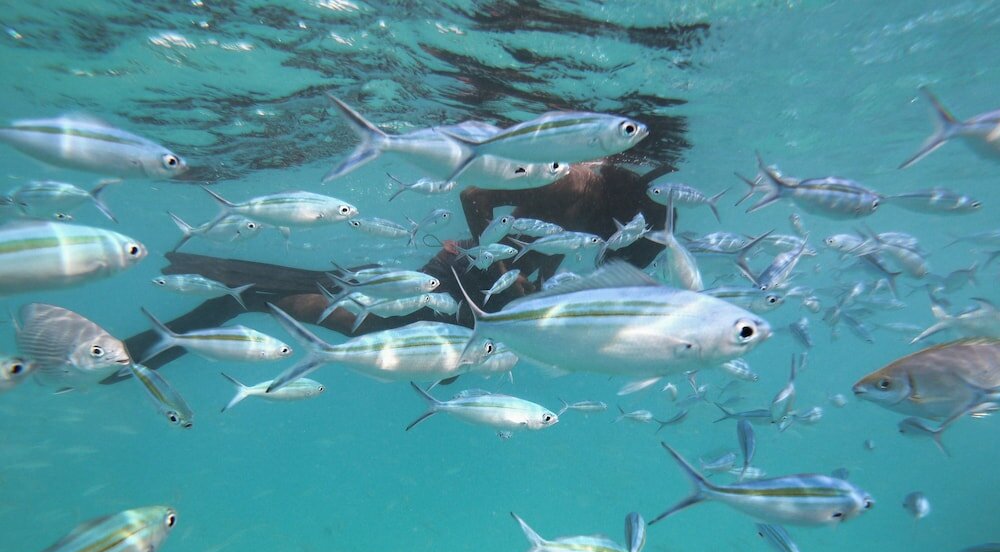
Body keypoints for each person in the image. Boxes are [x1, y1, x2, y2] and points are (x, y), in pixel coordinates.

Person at [109, 159, 674, 379]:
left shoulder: (649, 217)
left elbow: (616, 281)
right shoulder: (572, 179)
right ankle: (215, 309)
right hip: (465, 280)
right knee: (355, 319)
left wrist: (540, 286)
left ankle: (233, 301)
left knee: (431, 362)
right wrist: (486, 248)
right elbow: (477, 190)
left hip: (503, 309)